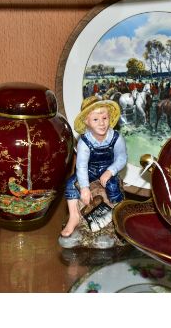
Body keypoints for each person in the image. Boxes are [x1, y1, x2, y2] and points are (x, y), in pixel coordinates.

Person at [60, 96, 127, 237]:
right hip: (89, 170)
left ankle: (118, 214)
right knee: (71, 184)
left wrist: (110, 171)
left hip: (108, 168)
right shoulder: (84, 142)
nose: (101, 123)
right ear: (87, 122)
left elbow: (122, 158)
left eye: (104, 118)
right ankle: (74, 216)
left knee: (113, 187)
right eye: (96, 119)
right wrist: (84, 188)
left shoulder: (116, 137)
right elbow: (82, 166)